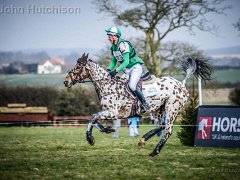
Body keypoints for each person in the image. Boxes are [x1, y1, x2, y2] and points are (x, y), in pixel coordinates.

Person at [105, 26, 150, 113]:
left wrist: (116, 71)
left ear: (115, 36)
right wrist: (108, 70)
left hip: (135, 67)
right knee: (120, 85)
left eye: (110, 36)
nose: (108, 38)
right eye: (108, 36)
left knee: (132, 86)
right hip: (127, 70)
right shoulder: (113, 47)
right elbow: (113, 62)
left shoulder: (123, 45)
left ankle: (145, 104)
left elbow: (126, 62)